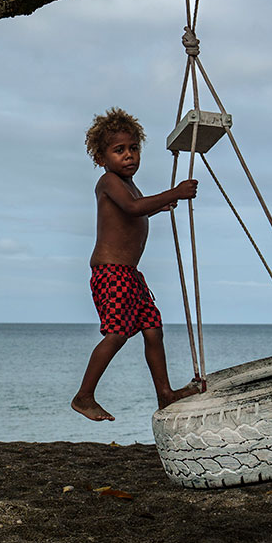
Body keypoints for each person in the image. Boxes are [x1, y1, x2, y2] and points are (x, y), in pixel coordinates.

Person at [72, 108, 200, 422]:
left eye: (133, 148)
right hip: (111, 273)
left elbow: (136, 211)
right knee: (117, 333)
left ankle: (165, 394)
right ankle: (84, 396)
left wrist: (161, 206)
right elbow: (132, 208)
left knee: (153, 330)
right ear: (101, 158)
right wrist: (174, 193)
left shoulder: (131, 185)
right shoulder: (109, 181)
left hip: (130, 275)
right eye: (119, 150)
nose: (128, 155)